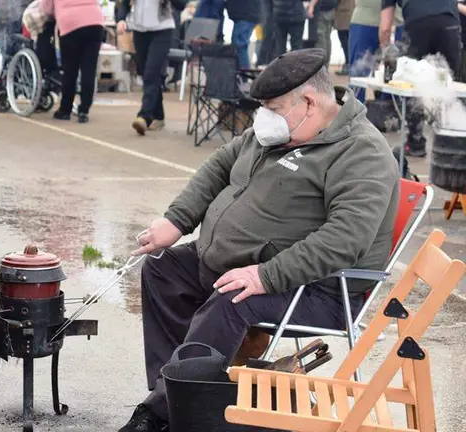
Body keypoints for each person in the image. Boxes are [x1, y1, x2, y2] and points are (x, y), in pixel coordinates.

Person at [117, 48, 400, 432]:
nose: (264, 117)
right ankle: (176, 399)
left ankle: (163, 412)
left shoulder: (361, 152)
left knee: (232, 301)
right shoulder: (284, 130)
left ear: (309, 103)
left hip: (316, 289)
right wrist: (175, 221)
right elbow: (219, 166)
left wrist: (264, 276)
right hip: (240, 264)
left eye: (274, 107)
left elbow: (344, 240)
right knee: (163, 268)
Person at [380, 0, 462, 158]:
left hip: (418, 24)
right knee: (451, 83)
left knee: (412, 80)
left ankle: (416, 143)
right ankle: (456, 144)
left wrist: (385, 55)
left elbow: (385, 28)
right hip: (449, 20)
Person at [116, 0, 186, 135]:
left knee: (151, 73)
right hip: (139, 30)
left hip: (162, 30)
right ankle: (159, 116)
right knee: (146, 73)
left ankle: (144, 116)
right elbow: (124, 3)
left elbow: (181, 5)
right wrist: (121, 19)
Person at [43, 0, 104, 123]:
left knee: (70, 70)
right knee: (89, 69)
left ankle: (65, 110)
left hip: (70, 24)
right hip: (95, 22)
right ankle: (84, 110)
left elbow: (47, 8)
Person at [347, 0, 403, 102]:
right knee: (358, 75)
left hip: (397, 22)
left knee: (398, 75)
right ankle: (354, 114)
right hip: (365, 20)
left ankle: (392, 113)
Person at [226, 0, 261, 69]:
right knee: (239, 46)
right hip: (246, 13)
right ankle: (241, 75)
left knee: (240, 46)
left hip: (245, 14)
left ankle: (243, 76)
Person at [307, 0, 337, 68]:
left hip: (321, 10)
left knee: (320, 38)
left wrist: (311, 6)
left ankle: (320, 66)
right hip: (331, 9)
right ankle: (325, 65)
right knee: (327, 37)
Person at [334, 0, 355, 75]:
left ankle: (348, 64)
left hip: (344, 13)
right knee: (347, 42)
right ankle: (348, 63)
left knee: (345, 43)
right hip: (349, 12)